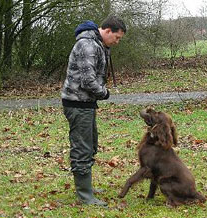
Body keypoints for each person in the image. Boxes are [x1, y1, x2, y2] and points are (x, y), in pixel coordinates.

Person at [61, 15, 126, 206]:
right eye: (117, 37)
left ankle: (86, 187)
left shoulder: (98, 44)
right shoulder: (87, 45)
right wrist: (104, 93)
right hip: (77, 103)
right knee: (82, 148)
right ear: (107, 31)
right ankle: (85, 195)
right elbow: (88, 80)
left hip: (85, 103)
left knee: (91, 145)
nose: (117, 42)